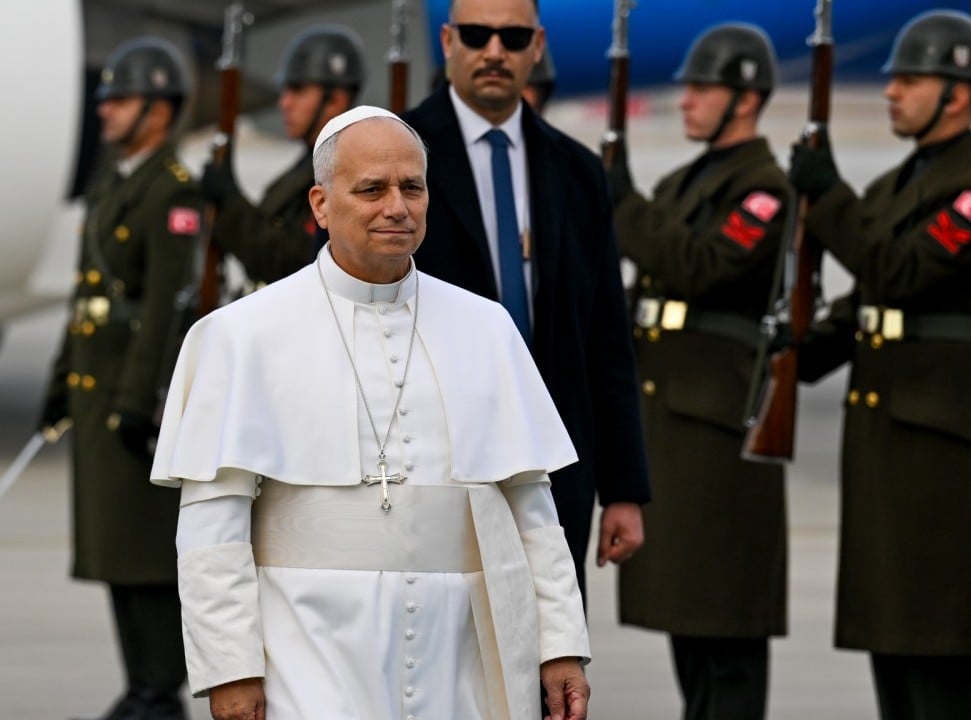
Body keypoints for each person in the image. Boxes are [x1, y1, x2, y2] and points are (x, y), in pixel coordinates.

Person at [150, 106, 591, 720]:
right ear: (321, 204)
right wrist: (232, 670)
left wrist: (561, 645)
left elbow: (534, 514)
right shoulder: (240, 336)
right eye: (372, 189)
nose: (397, 207)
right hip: (305, 653)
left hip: (460, 656)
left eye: (412, 187)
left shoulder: (486, 327)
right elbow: (212, 535)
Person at [790, 10, 971, 719]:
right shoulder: (898, 184)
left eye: (909, 80)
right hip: (891, 457)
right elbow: (865, 305)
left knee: (938, 669)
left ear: (957, 94)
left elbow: (899, 271)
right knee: (896, 663)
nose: (890, 91)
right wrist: (788, 355)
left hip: (941, 465)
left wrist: (829, 196)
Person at [401, 0, 648, 597]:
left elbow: (606, 341)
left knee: (552, 645)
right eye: (477, 35)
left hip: (550, 469)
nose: (494, 52)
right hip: (428, 464)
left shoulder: (578, 172)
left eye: (512, 38)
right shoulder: (393, 156)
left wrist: (623, 489)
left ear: (537, 46)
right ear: (447, 41)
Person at [605, 23, 790, 720]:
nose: (684, 100)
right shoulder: (685, 182)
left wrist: (623, 201)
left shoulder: (764, 190)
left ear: (745, 98)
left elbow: (703, 267)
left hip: (719, 437)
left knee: (727, 633)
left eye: (701, 89)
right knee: (691, 629)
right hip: (673, 431)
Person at [39, 36, 201, 720]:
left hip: (135, 403)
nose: (104, 110)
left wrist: (137, 401)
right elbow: (86, 298)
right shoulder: (112, 184)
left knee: (147, 555)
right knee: (114, 550)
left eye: (120, 100)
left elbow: (165, 308)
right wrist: (60, 383)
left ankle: (160, 688)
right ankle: (138, 683)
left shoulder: (172, 190)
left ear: (158, 111)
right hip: (98, 392)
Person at [201, 25, 364, 285]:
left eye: (298, 90)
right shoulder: (307, 165)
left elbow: (299, 262)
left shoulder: (347, 171)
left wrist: (230, 202)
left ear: (336, 100)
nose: (284, 103)